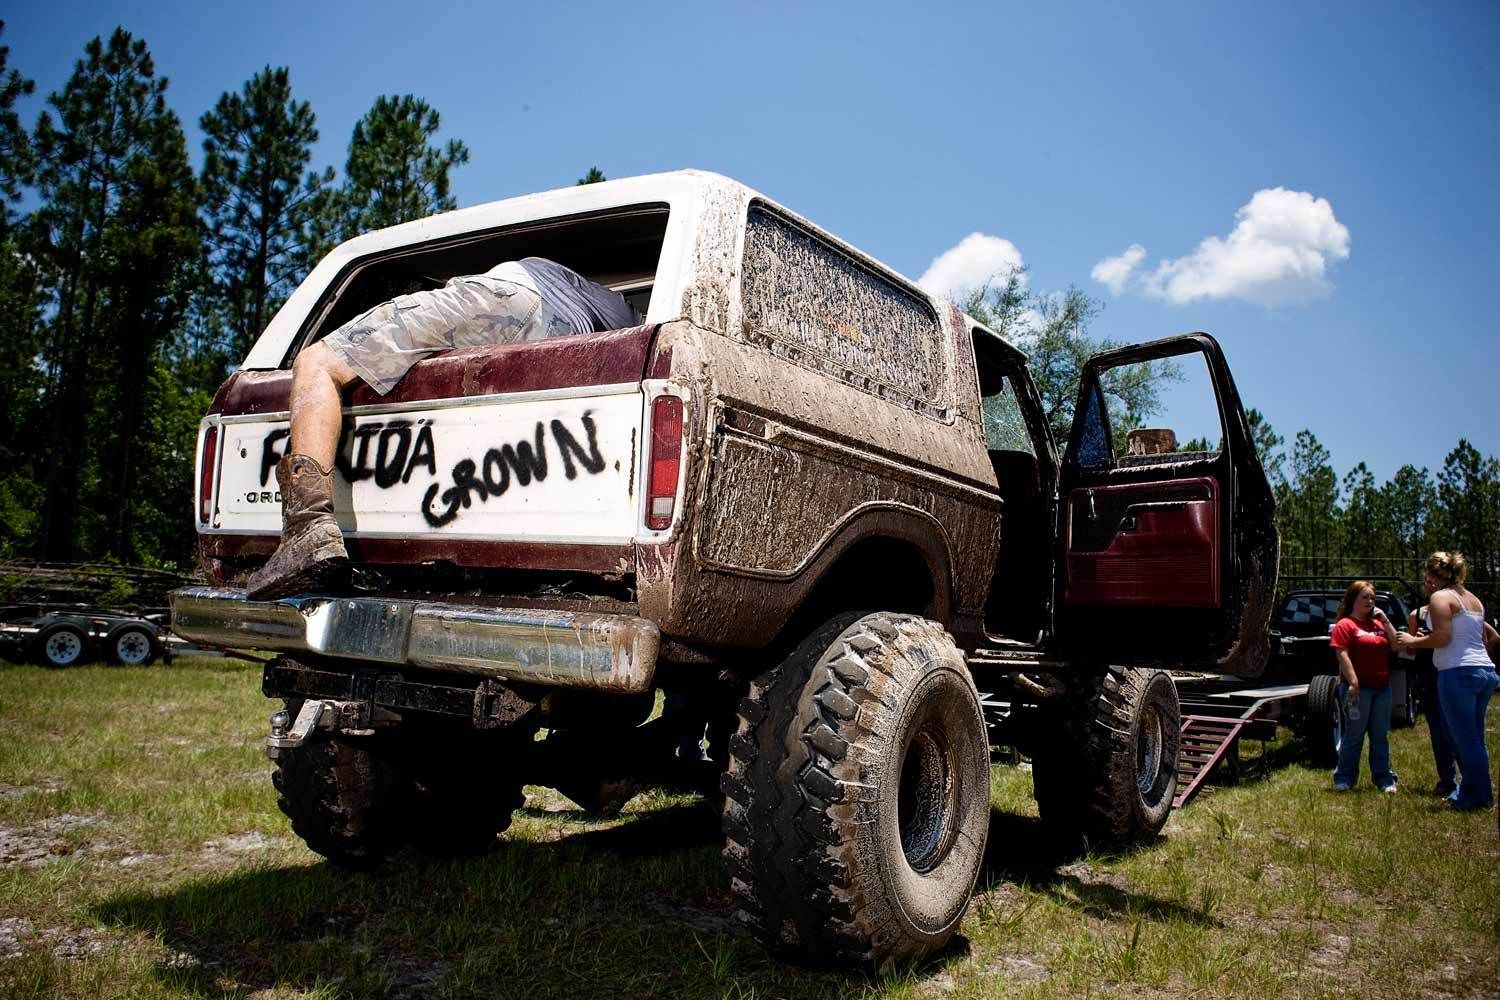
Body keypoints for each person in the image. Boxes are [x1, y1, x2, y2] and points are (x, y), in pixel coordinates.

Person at [246, 257, 635, 599]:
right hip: (570, 344)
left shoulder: (486, 290)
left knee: (318, 362)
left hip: (514, 297)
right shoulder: (622, 314)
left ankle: (307, 527)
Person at [1395, 552, 1500, 811]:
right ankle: (1477, 792)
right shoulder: (1472, 599)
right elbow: (1485, 637)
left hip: (1457, 673)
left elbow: (1442, 637)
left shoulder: (1440, 597)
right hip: (1483, 672)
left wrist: (1412, 641)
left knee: (1464, 738)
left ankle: (1477, 798)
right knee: (1475, 737)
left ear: (1432, 574)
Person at [1330, 580, 1400, 792]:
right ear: (1353, 599)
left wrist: (1385, 620)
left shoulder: (1378, 624)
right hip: (1358, 690)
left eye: (1372, 598)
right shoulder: (1346, 625)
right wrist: (1353, 682)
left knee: (1380, 736)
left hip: (1382, 688)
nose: (1370, 601)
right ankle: (1344, 778)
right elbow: (1341, 654)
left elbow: (1396, 645)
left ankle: (1384, 779)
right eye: (1365, 597)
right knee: (1354, 735)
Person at [1409, 603, 1457, 797]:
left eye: (1434, 581)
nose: (1431, 585)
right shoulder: (1417, 614)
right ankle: (1447, 781)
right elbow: (1411, 650)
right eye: (1427, 581)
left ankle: (1471, 781)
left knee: (1457, 730)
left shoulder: (1456, 610)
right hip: (1428, 678)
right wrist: (1417, 641)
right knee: (1438, 731)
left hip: (1452, 672)